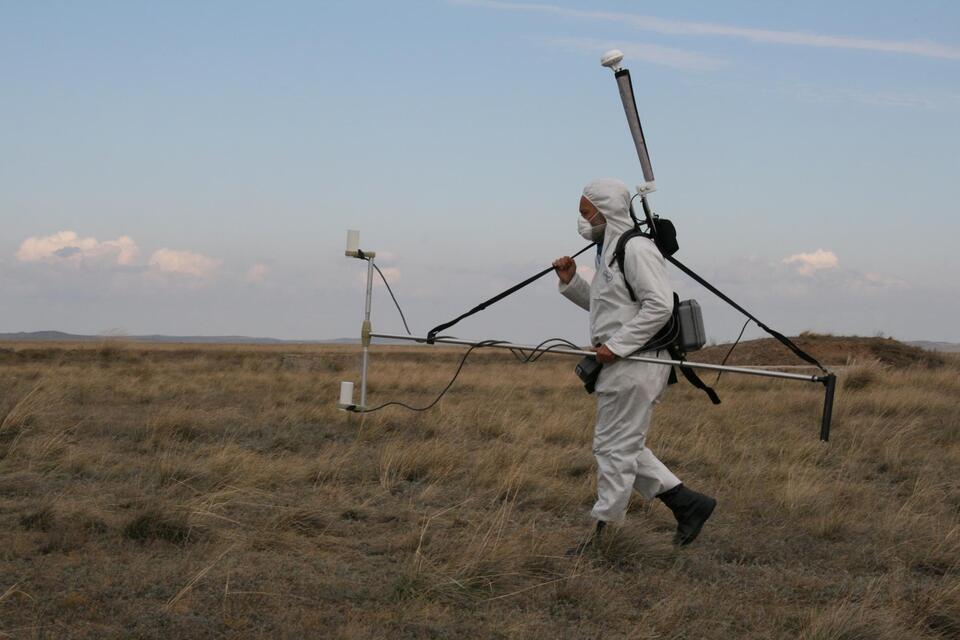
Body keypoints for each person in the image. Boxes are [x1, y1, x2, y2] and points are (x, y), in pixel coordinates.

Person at [552, 178, 716, 552]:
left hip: (636, 363)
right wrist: (573, 282)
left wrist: (618, 346)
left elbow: (659, 305)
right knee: (621, 444)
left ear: (605, 209)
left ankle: (604, 536)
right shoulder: (608, 252)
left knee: (613, 449)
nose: (582, 221)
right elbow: (609, 309)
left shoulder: (636, 249)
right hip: (620, 363)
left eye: (585, 213)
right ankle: (689, 504)